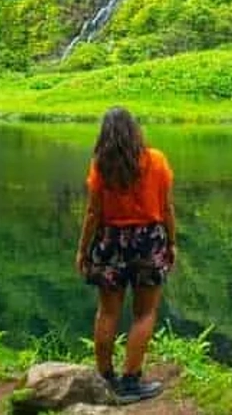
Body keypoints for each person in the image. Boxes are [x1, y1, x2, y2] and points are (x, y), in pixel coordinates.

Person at [75, 107, 176, 402]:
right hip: (149, 241)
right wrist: (171, 242)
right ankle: (131, 381)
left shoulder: (100, 166)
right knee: (144, 313)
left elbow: (93, 212)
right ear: (134, 131)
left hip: (110, 241)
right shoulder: (156, 160)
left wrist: (83, 249)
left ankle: (105, 379)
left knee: (107, 312)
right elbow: (167, 208)